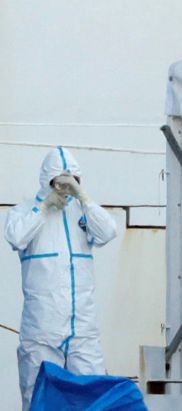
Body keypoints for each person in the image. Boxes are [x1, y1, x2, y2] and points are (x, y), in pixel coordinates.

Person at [4, 147, 117, 410]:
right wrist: (44, 206)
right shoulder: (25, 212)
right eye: (60, 181)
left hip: (82, 330)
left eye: (72, 181)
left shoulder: (81, 212)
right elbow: (16, 237)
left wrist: (84, 197)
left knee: (94, 396)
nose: (66, 187)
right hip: (42, 329)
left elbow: (108, 232)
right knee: (38, 396)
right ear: (47, 180)